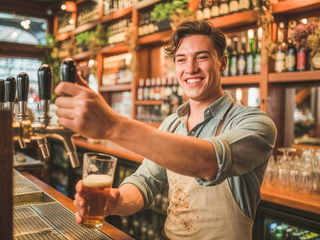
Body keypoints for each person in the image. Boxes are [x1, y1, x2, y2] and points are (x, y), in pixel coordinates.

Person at [54, 20, 277, 240]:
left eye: (202, 57)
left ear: (222, 62)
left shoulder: (255, 123)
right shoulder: (172, 124)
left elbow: (209, 162)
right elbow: (145, 182)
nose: (190, 68)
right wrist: (117, 201)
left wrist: (112, 125)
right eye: (182, 60)